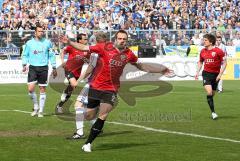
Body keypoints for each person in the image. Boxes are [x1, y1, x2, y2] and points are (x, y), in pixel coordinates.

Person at [60, 29, 173, 152]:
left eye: (124, 39)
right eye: (120, 38)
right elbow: (84, 47)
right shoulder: (104, 47)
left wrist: (161, 69)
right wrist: (70, 42)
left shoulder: (129, 54)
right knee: (89, 115)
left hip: (111, 89)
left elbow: (143, 66)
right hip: (95, 87)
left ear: (127, 40)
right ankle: (95, 113)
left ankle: (88, 143)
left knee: (103, 114)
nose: (122, 41)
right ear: (115, 39)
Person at [22, 24, 57, 118]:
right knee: (30, 89)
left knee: (42, 89)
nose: (41, 33)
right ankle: (36, 106)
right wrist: (24, 64)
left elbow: (52, 55)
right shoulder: (29, 43)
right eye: (39, 31)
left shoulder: (47, 42)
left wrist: (54, 67)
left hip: (44, 68)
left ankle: (41, 111)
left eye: (42, 31)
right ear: (35, 32)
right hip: (33, 67)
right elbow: (25, 55)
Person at [195, 34, 227, 120]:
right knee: (209, 92)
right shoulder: (202, 51)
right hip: (206, 74)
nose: (203, 41)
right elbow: (200, 62)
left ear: (211, 41)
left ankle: (209, 101)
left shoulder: (219, 51)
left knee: (212, 94)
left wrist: (220, 74)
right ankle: (213, 112)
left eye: (205, 40)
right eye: (203, 40)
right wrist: (197, 72)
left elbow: (224, 63)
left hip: (216, 75)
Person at [55, 33, 89, 114]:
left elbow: (89, 61)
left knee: (70, 91)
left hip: (77, 73)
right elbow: (63, 51)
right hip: (69, 69)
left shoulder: (87, 50)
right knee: (73, 84)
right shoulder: (72, 46)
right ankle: (66, 92)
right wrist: (63, 61)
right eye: (85, 39)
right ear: (79, 40)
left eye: (86, 39)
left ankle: (59, 105)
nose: (86, 40)